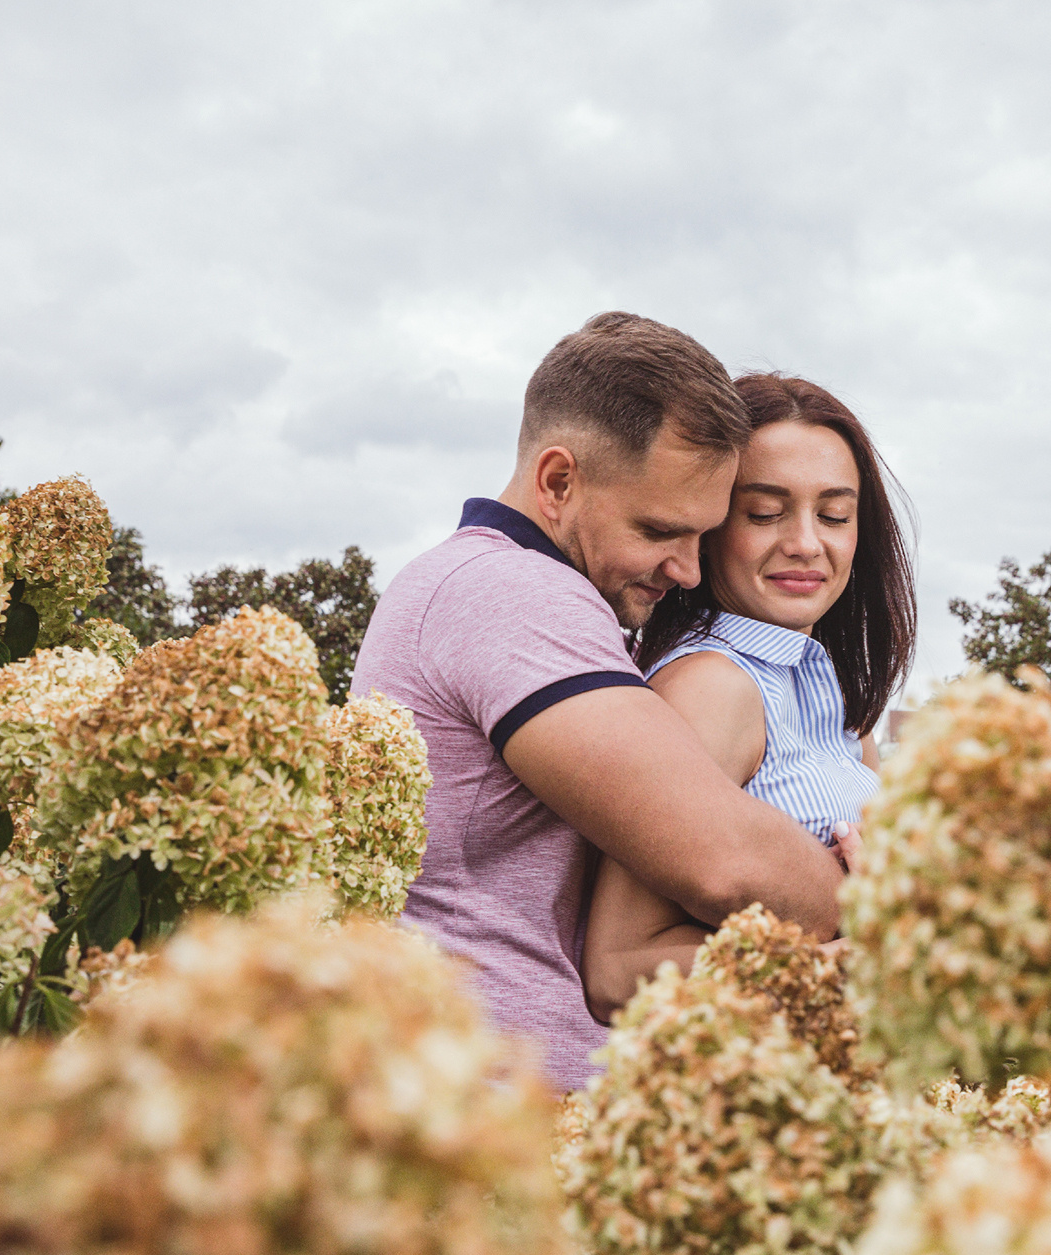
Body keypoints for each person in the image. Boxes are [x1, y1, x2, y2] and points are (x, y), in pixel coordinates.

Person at [350, 313, 847, 1092]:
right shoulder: (510, 592)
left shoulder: (499, 592)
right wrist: (893, 901)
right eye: (660, 530)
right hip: (485, 1111)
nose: (687, 570)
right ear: (557, 481)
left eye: (703, 536)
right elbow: (722, 856)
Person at [581, 374, 918, 1022]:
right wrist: (838, 967)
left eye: (835, 515)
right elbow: (616, 967)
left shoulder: (840, 705)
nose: (806, 542)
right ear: (707, 525)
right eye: (764, 512)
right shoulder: (714, 687)